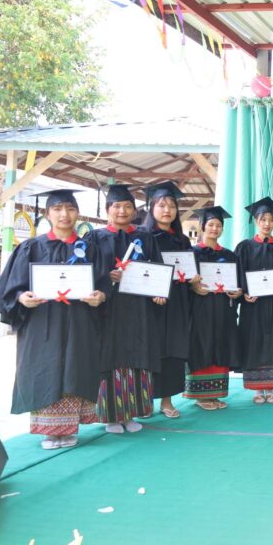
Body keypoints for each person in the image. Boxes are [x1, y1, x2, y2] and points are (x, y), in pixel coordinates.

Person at [0, 190, 108, 449]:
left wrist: (100, 296)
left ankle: (68, 428)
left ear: (77, 213)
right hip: (41, 321)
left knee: (74, 367)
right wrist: (23, 297)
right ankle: (48, 429)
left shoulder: (89, 249)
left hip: (79, 321)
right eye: (57, 209)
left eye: (69, 208)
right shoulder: (31, 247)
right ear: (48, 214)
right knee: (44, 367)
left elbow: (103, 284)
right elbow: (12, 287)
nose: (64, 214)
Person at [86, 184, 165, 434]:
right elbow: (84, 270)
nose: (122, 210)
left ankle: (131, 413)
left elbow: (157, 268)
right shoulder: (95, 238)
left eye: (127, 206)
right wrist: (104, 274)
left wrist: (159, 292)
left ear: (135, 210)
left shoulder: (144, 236)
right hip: (108, 309)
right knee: (111, 356)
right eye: (117, 206)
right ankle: (111, 416)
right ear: (108, 209)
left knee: (138, 353)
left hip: (139, 309)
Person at [143, 182, 198, 419]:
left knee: (174, 349)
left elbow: (186, 271)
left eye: (172, 206)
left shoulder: (183, 241)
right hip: (150, 303)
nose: (167, 210)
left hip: (176, 302)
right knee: (150, 349)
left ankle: (166, 400)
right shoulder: (142, 237)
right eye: (161, 205)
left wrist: (193, 279)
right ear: (151, 207)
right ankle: (145, 401)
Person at [234, 197, 273, 405]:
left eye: (270, 220)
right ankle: (257, 389)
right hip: (253, 304)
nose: (267, 224)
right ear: (255, 221)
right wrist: (244, 293)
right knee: (254, 342)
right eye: (262, 219)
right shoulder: (244, 247)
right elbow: (238, 275)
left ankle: (272, 387)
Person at [186, 206, 242, 411]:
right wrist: (192, 286)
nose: (214, 229)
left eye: (218, 225)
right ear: (202, 227)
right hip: (200, 308)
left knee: (221, 344)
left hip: (222, 308)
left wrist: (238, 292)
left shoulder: (229, 255)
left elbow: (237, 282)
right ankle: (201, 396)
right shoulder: (192, 252)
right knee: (203, 345)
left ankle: (216, 394)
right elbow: (183, 282)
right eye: (210, 225)